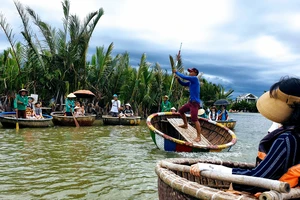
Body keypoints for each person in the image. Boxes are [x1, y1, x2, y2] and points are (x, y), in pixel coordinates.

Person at [190, 76, 300, 193]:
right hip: (288, 190)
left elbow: (257, 179)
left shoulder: (287, 139)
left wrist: (209, 167)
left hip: (273, 193)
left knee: (233, 187)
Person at [173, 67, 202, 142]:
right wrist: (178, 79)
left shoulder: (195, 79)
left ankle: (199, 136)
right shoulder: (191, 82)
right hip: (190, 103)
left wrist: (176, 72)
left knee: (194, 119)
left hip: (195, 103)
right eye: (189, 72)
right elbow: (183, 83)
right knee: (181, 111)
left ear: (195, 73)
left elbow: (184, 77)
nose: (189, 73)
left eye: (191, 72)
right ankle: (185, 125)